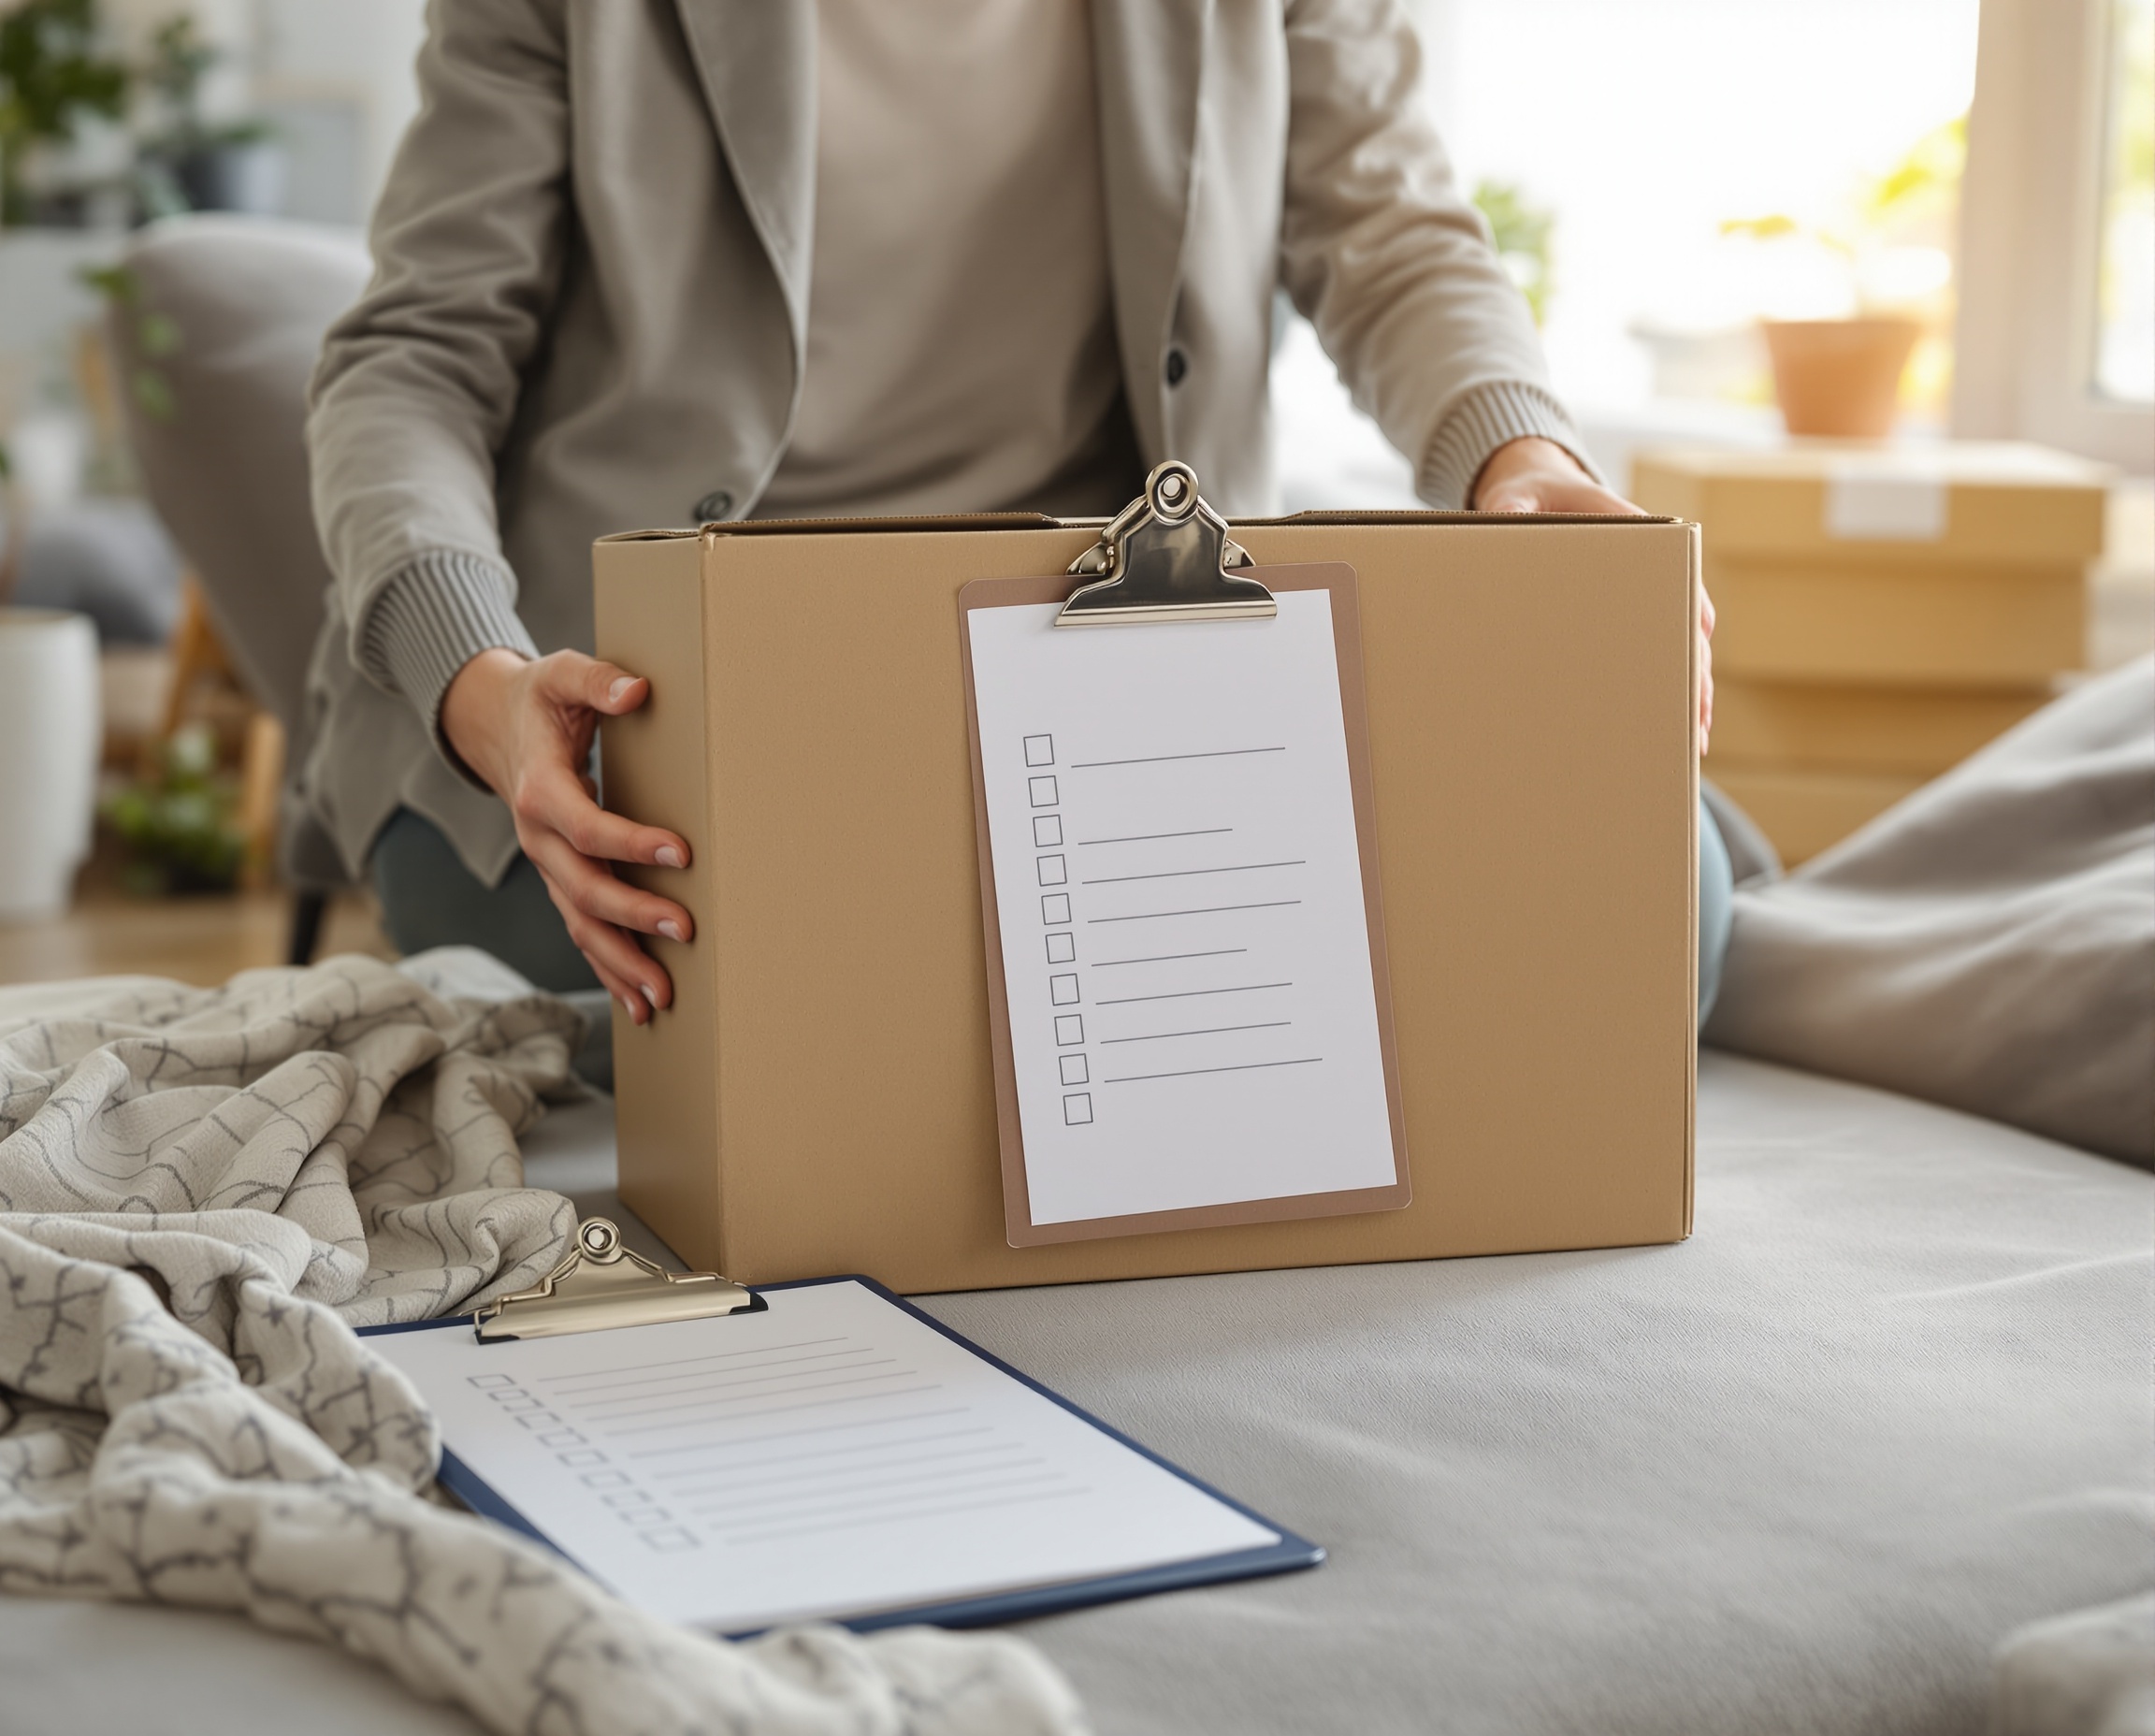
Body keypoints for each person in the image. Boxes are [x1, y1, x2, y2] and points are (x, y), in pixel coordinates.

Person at [305, 0, 1727, 1038]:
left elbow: (1396, 240)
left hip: (1104, 662)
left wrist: (1517, 455)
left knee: (1663, 910)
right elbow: (415, 358)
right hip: (657, 702)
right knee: (817, 1032)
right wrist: (479, 683)